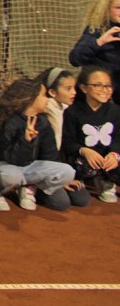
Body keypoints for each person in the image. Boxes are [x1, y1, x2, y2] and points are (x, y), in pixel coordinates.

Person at [0, 79, 80, 212]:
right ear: (31, 99)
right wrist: (25, 141)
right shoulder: (9, 121)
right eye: (44, 95)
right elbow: (6, 157)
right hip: (8, 166)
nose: (47, 99)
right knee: (12, 175)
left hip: (30, 169)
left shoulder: (43, 121)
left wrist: (59, 179)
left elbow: (50, 154)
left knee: (67, 172)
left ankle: (29, 187)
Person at [62, 66, 120, 203]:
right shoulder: (73, 111)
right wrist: (84, 151)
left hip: (107, 161)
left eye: (108, 86)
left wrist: (115, 154)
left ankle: (107, 181)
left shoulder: (115, 111)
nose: (105, 90)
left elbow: (118, 138)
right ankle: (88, 180)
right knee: (81, 200)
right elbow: (67, 142)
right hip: (83, 162)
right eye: (98, 86)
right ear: (84, 88)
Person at [68, 0, 120, 95]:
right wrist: (99, 42)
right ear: (107, 10)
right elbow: (75, 59)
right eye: (118, 8)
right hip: (100, 95)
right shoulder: (97, 30)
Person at [37, 67, 76, 151]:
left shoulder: (63, 106)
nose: (74, 92)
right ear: (52, 92)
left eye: (74, 88)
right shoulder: (48, 107)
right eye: (68, 89)